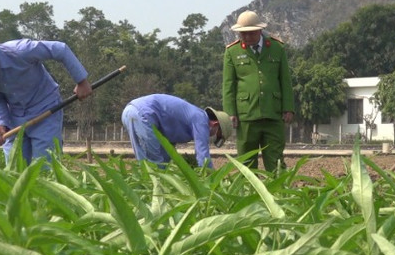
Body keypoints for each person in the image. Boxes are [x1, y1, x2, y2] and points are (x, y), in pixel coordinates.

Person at [0, 28, 92, 164]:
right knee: (14, 167)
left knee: (45, 165)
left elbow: (60, 49)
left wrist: (81, 81)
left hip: (46, 109)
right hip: (15, 117)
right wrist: (1, 125)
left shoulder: (20, 50)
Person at [222, 10, 295, 171]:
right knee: (246, 162)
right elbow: (228, 85)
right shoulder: (232, 51)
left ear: (260, 30)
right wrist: (230, 112)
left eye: (251, 33)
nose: (247, 37)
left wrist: (288, 107)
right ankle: (248, 187)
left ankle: (278, 187)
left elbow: (285, 80)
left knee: (276, 161)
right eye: (243, 34)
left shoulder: (276, 48)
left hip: (273, 113)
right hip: (246, 115)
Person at [121, 94, 232, 168]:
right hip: (142, 114)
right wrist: (211, 177)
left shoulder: (191, 120)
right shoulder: (201, 119)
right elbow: (203, 155)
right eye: (218, 135)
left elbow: (167, 147)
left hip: (132, 111)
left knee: (153, 163)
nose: (213, 138)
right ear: (215, 125)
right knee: (154, 163)